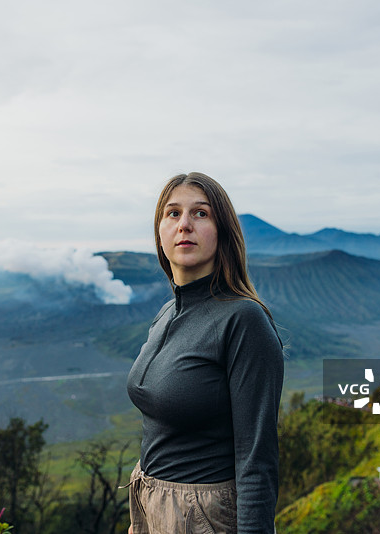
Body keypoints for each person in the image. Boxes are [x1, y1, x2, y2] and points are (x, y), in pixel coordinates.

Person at [126, 172, 284, 533]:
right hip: (150, 505)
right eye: (172, 213)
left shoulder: (243, 319)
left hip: (203, 517)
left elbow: (257, 459)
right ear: (159, 235)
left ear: (223, 231)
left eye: (201, 214)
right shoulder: (167, 313)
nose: (184, 224)